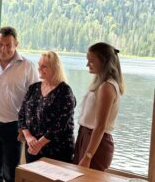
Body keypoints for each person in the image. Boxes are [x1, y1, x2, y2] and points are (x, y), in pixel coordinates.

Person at [0, 26, 39, 182]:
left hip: (14, 128)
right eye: (0, 44)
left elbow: (34, 99)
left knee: (10, 174)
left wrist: (27, 129)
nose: (3, 49)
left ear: (16, 44)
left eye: (8, 45)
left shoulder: (27, 66)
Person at [73, 42, 124, 171]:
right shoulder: (100, 84)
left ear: (104, 62)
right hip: (86, 136)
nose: (87, 64)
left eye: (91, 61)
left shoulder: (107, 87)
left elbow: (100, 126)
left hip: (96, 143)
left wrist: (88, 156)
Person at [18, 51, 76, 163]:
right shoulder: (33, 88)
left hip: (57, 151)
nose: (39, 69)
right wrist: (29, 137)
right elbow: (21, 115)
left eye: (44, 66)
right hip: (32, 148)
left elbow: (60, 125)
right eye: (39, 65)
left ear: (55, 68)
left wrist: (39, 144)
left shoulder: (65, 91)